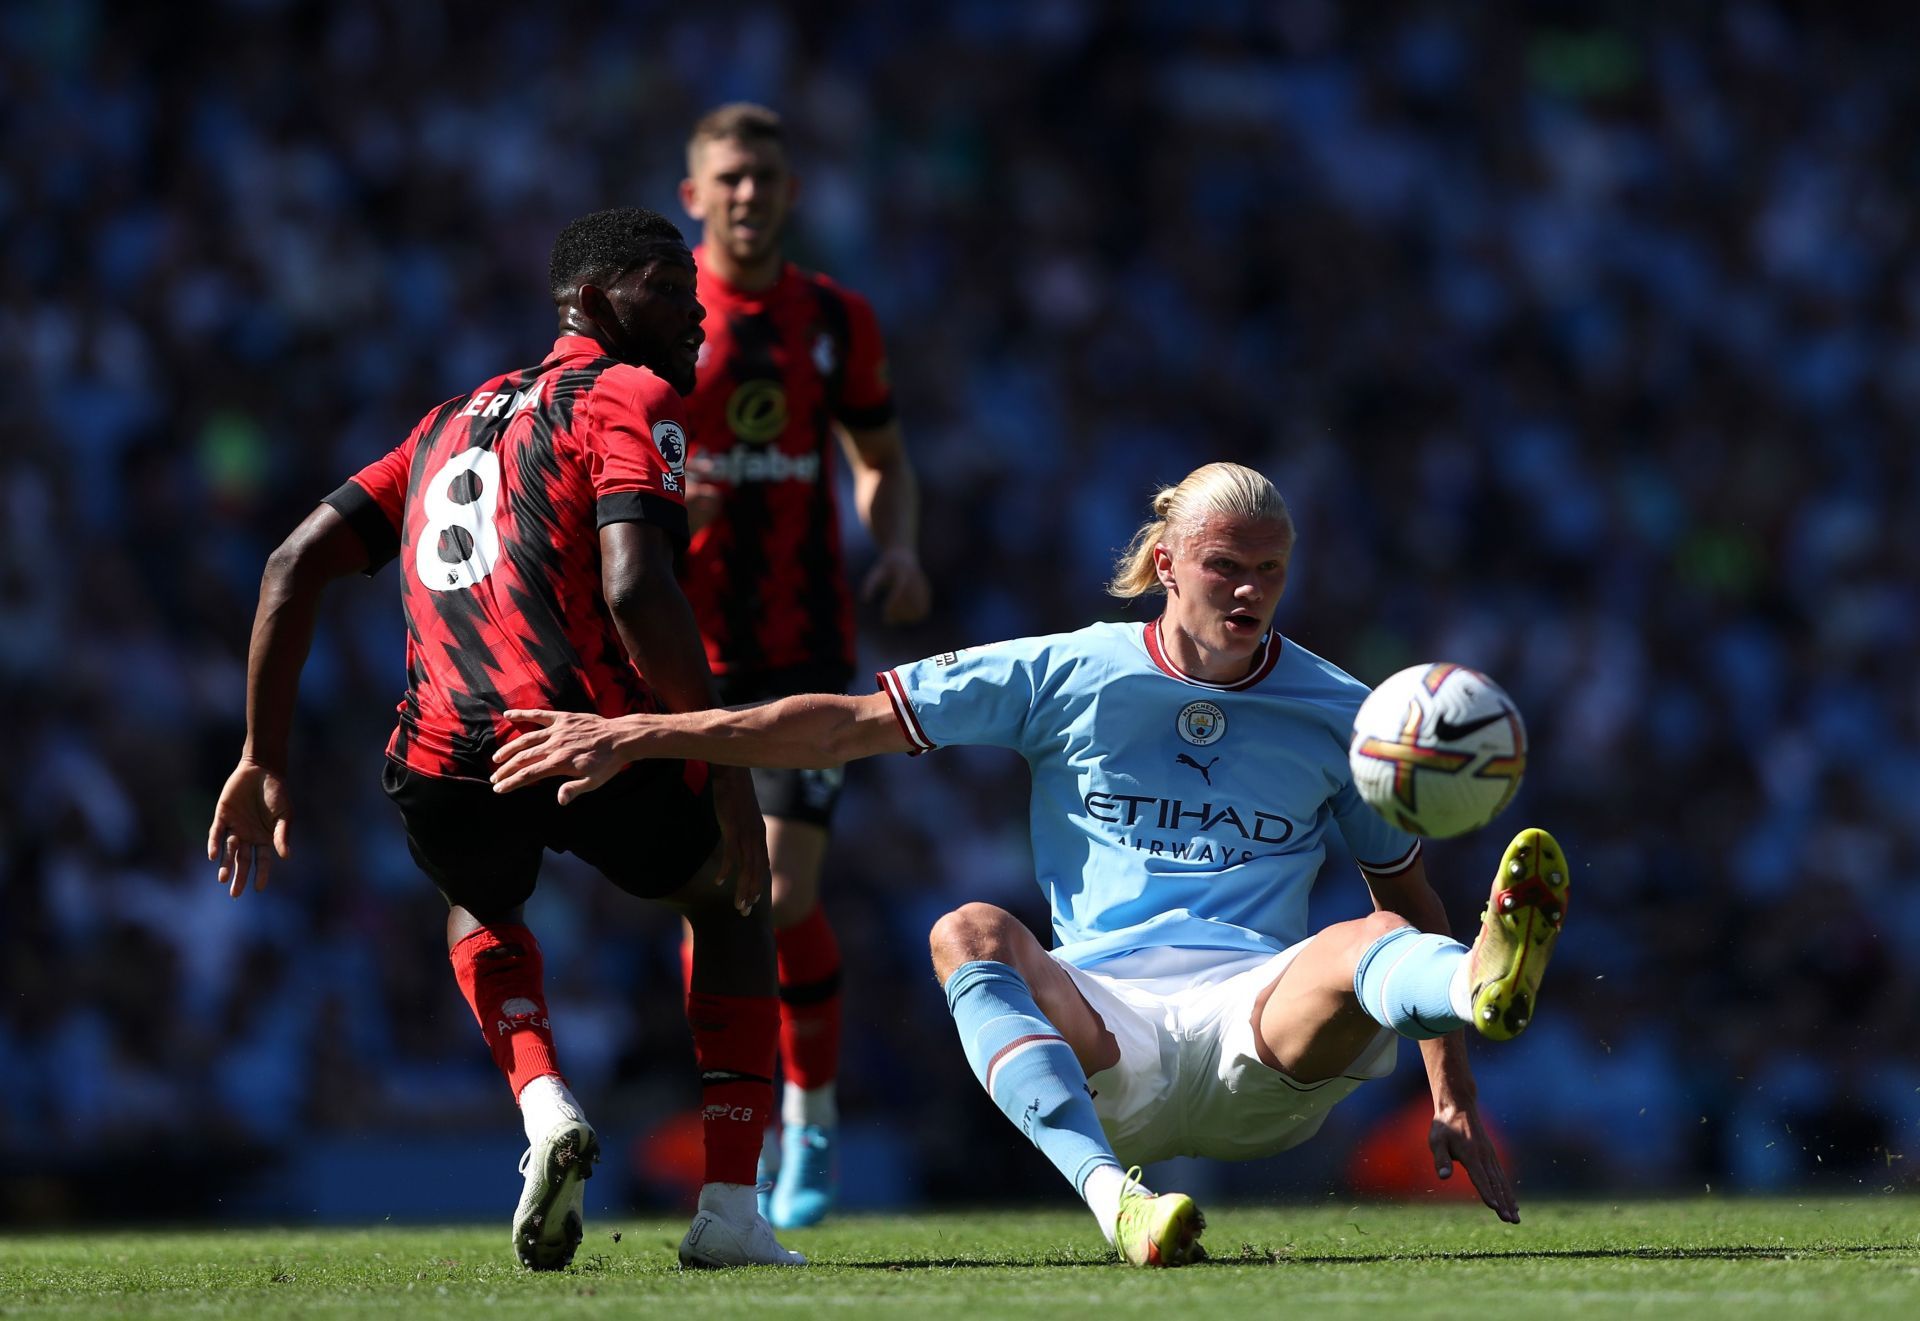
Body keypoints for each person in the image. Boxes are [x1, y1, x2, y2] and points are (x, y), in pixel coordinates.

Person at [488, 461, 1571, 1266]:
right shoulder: (1066, 672)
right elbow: (842, 724)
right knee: (966, 928)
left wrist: (1451, 1090)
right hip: (1104, 1026)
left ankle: (1480, 981)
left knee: (1378, 939)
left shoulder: (1347, 713)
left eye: (1269, 574)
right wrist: (641, 733)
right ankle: (1118, 1201)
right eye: (1224, 568)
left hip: (1261, 1027)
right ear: (1163, 565)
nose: (1248, 593)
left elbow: (1401, 891)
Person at [206, 207, 808, 1271]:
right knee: (732, 898)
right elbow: (636, 588)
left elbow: (290, 565)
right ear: (589, 302)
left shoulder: (443, 422)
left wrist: (262, 756)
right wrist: (718, 761)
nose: (696, 311)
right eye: (665, 286)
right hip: (588, 737)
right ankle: (729, 1208)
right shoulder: (632, 393)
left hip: (444, 752)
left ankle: (542, 1108)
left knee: (479, 905)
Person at [674, 101, 932, 1228]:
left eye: (765, 176)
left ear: (790, 192)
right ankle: (742, 1123)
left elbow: (880, 458)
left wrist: (902, 543)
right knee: (708, 901)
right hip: (677, 650)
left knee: (780, 889)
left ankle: (808, 1114)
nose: (747, 193)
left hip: (803, 646)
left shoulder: (833, 318)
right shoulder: (655, 309)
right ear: (694, 194)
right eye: (728, 177)